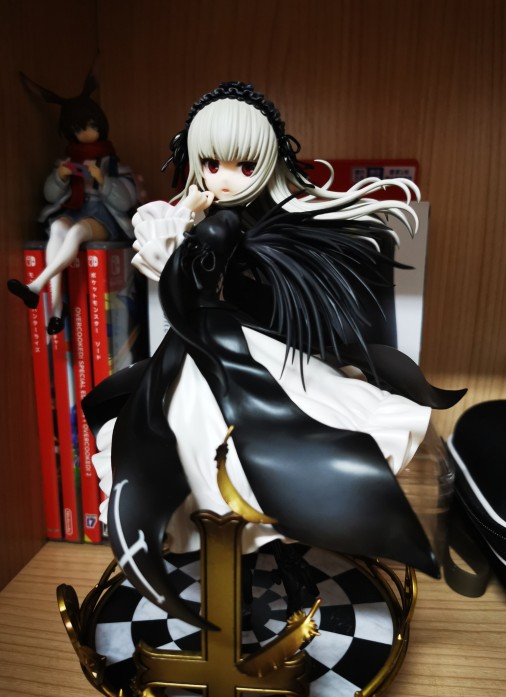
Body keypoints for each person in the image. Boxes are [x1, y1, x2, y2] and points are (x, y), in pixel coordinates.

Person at [83, 82, 465, 628]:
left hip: (256, 356)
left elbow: (214, 283)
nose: (224, 178)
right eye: (210, 164)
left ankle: (287, 565)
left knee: (271, 466)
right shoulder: (196, 220)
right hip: (196, 360)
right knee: (207, 470)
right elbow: (172, 278)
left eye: (243, 165)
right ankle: (233, 586)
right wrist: (182, 218)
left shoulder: (253, 226)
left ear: (269, 163)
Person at [7, 68, 136, 334]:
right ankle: (56, 308)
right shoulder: (68, 160)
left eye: (91, 125)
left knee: (77, 232)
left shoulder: (112, 163)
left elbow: (126, 200)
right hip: (74, 209)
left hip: (103, 216)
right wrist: (61, 176)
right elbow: (50, 196)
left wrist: (102, 180)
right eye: (78, 129)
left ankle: (36, 285)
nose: (86, 133)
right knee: (57, 227)